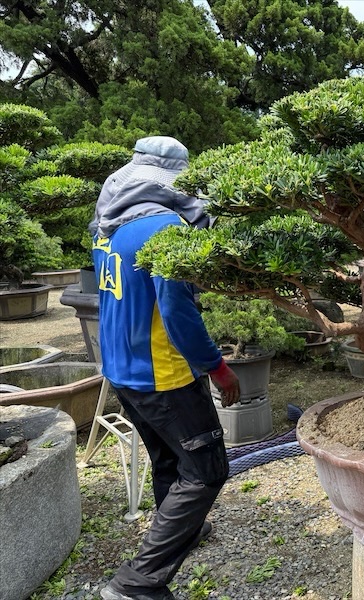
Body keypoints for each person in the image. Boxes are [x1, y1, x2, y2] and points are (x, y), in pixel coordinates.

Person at [89, 136, 240, 600]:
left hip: (119, 366)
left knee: (168, 460)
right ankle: (137, 584)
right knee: (206, 469)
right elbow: (176, 311)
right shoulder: (165, 227)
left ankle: (181, 533)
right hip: (163, 374)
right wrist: (217, 368)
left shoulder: (107, 227)